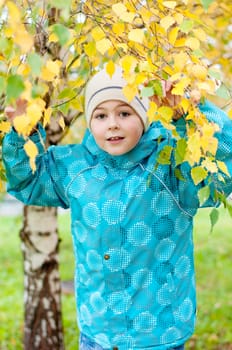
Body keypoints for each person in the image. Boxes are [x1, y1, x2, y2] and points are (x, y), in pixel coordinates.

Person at [2, 65, 232, 350]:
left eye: (124, 113)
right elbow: (28, 179)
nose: (112, 124)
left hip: (159, 333)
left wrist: (192, 114)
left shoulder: (171, 163)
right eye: (100, 115)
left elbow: (220, 175)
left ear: (143, 116)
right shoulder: (74, 166)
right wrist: (21, 133)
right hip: (99, 332)